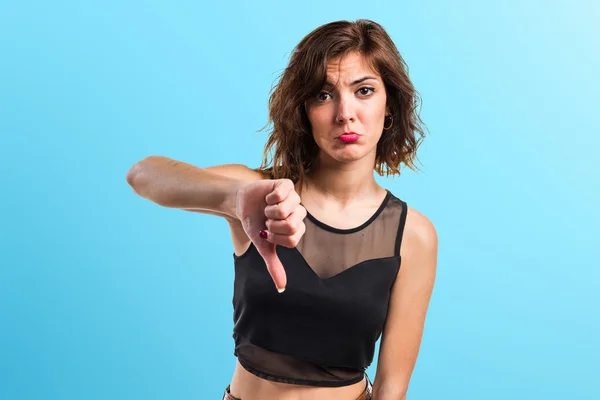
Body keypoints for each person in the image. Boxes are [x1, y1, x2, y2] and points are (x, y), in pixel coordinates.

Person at [126, 19, 438, 400]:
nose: (345, 113)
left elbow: (392, 388)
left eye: (364, 91)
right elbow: (144, 175)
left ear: (389, 105)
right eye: (323, 95)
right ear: (303, 110)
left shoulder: (412, 235)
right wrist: (235, 198)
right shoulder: (258, 191)